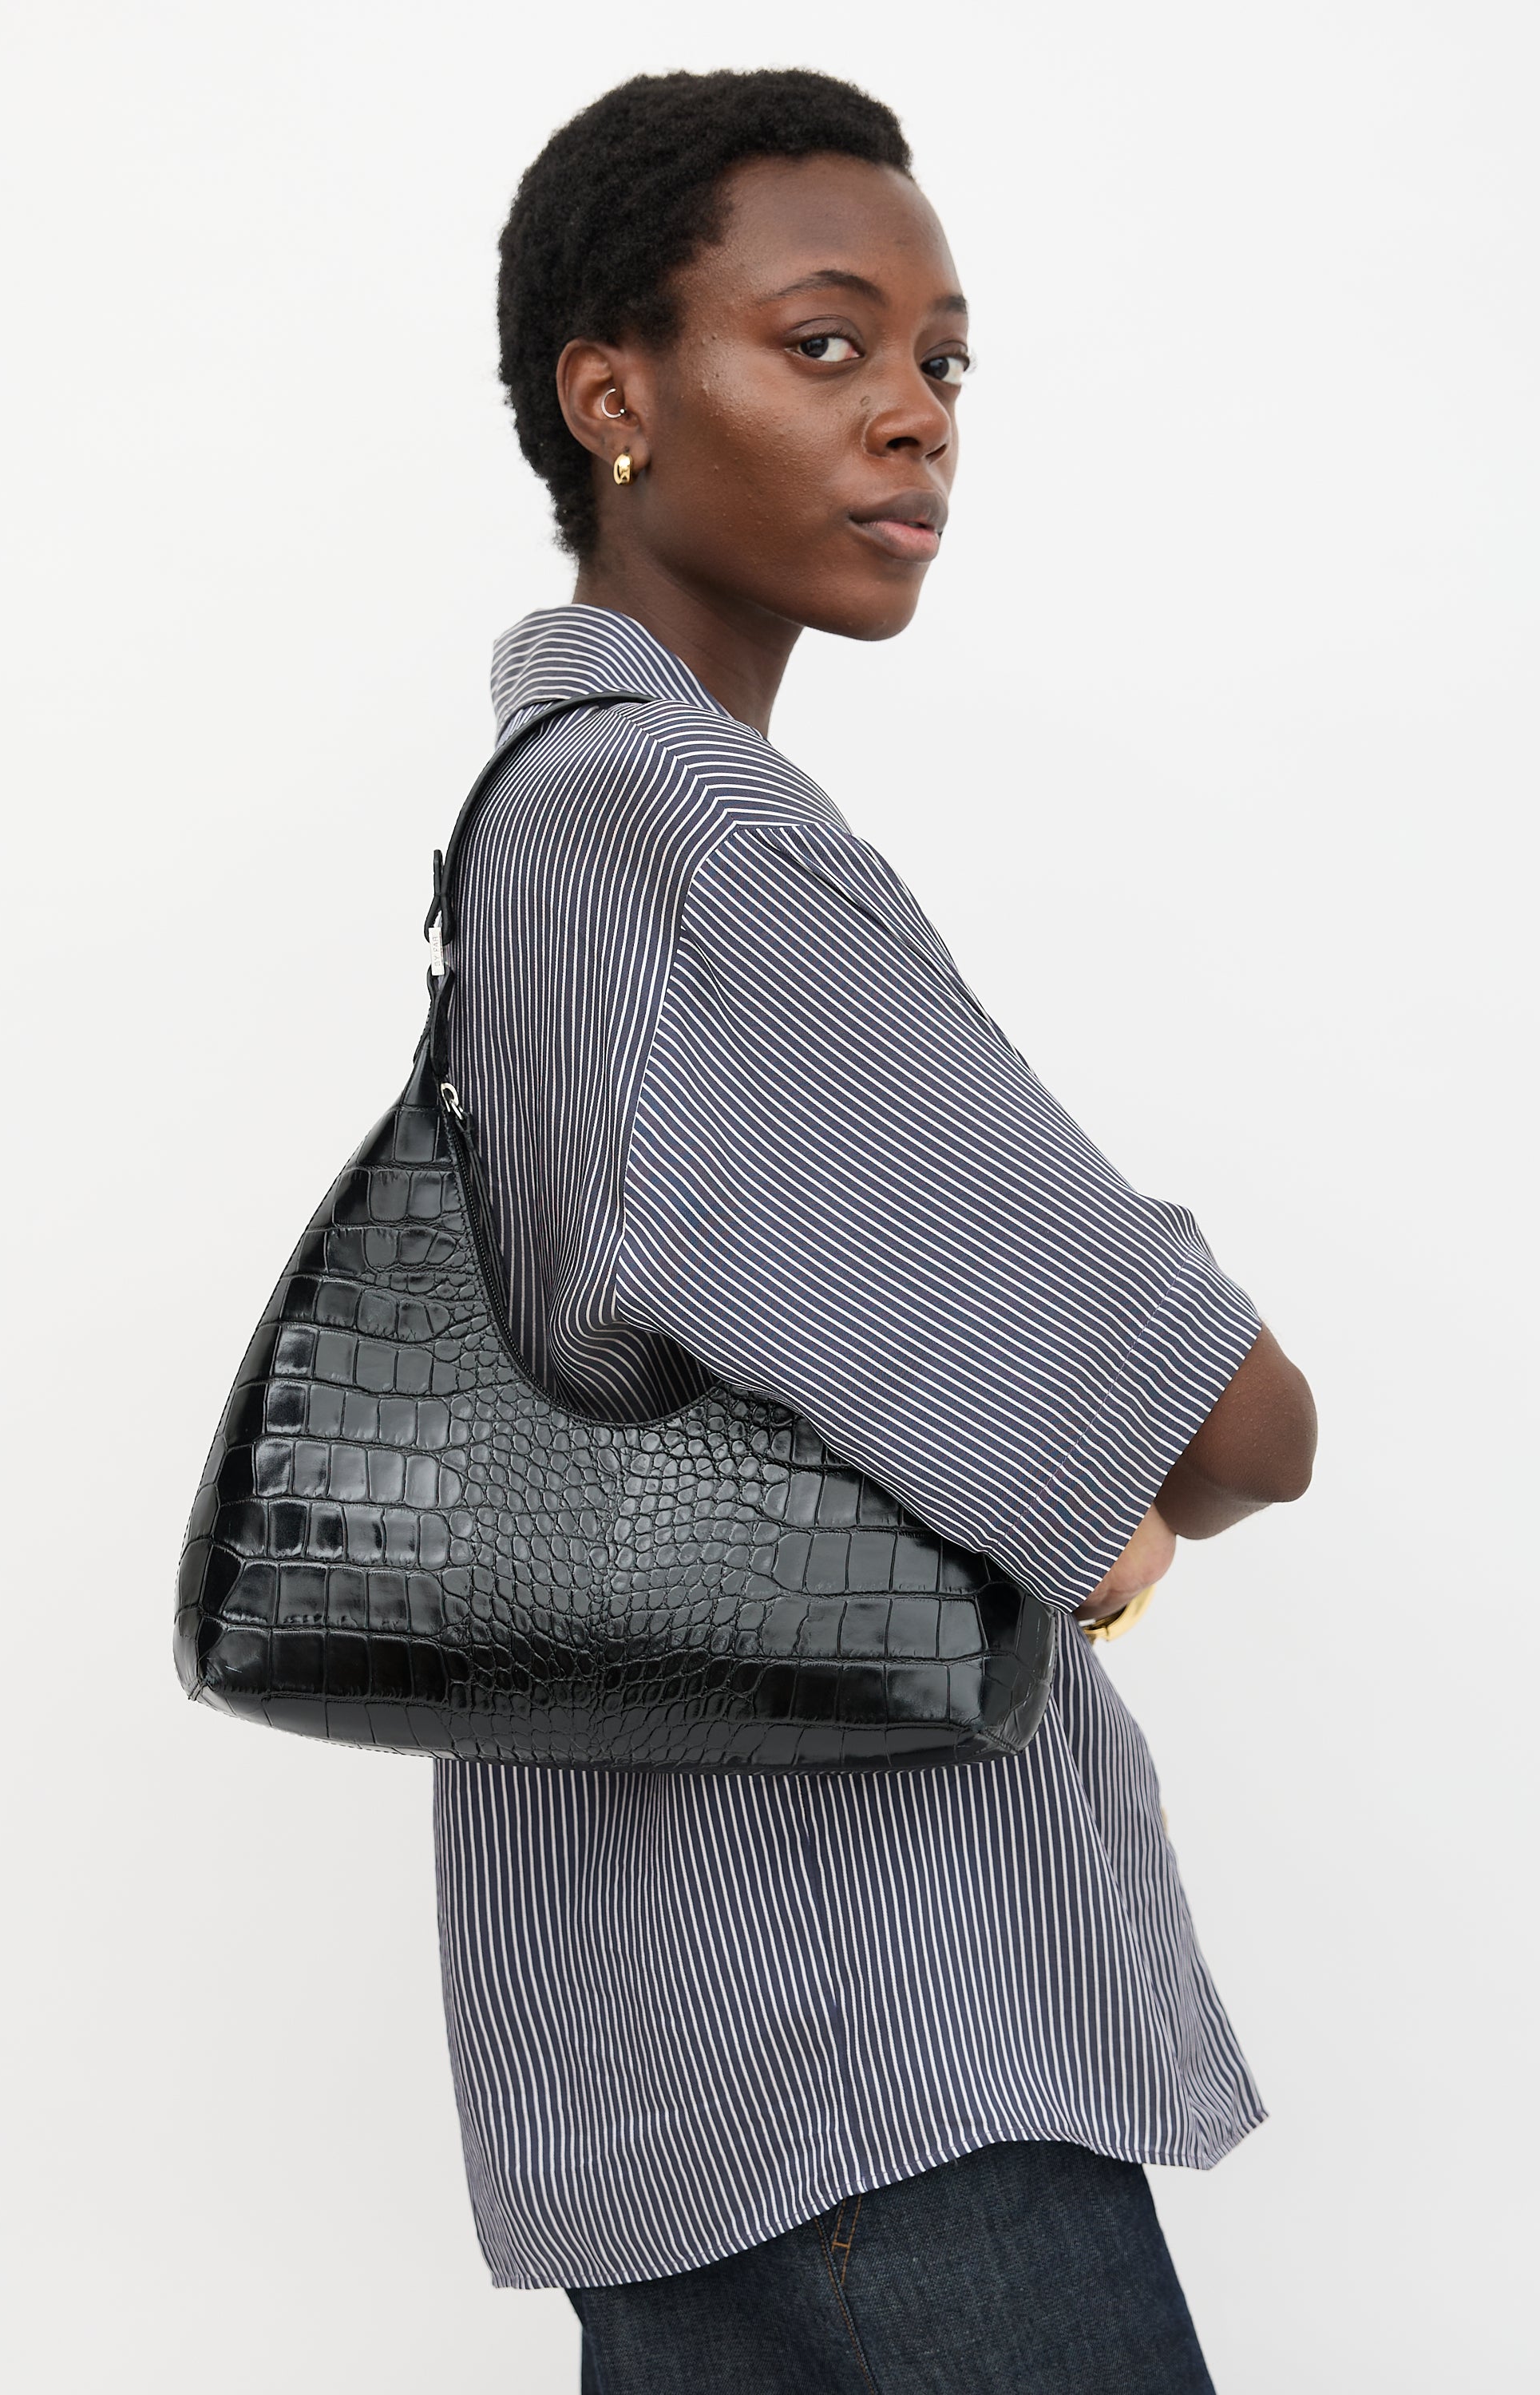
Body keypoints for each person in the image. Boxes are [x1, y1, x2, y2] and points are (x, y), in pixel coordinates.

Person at [433, 68, 1317, 2394]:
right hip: (885, 2052)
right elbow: (1235, 1417)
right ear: (612, 397)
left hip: (646, 2043)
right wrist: (1119, 1491)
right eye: (822, 344)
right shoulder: (688, 829)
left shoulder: (537, 811)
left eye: (942, 360)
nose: (914, 414)